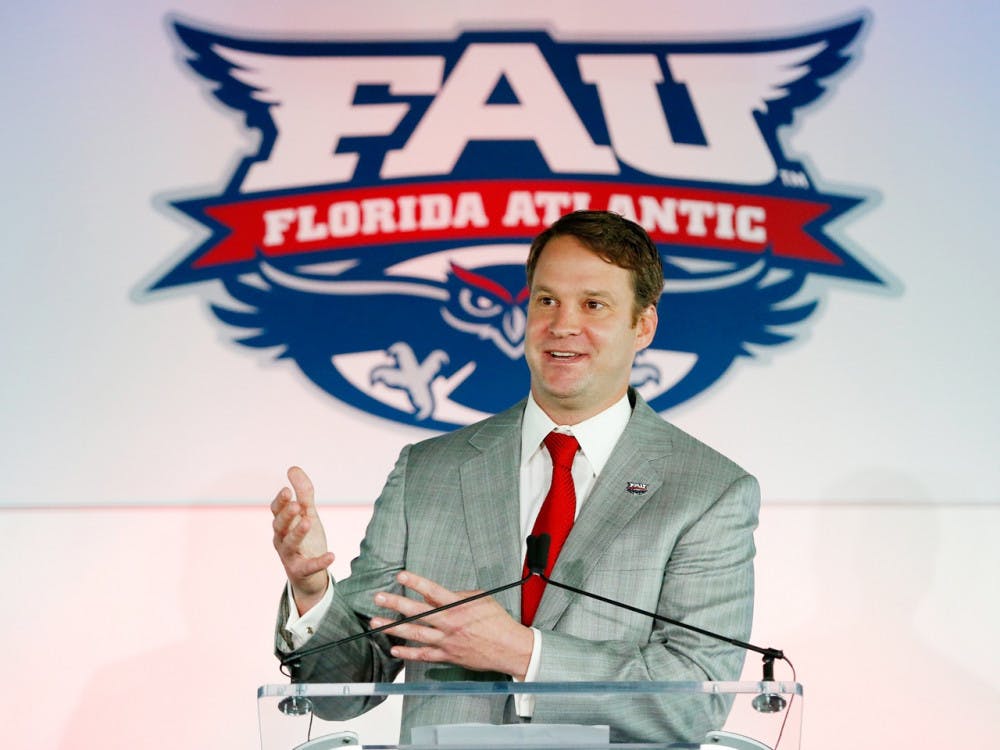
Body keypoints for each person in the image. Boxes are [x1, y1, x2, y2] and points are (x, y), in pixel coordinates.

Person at [270, 210, 760, 743]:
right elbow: (343, 689)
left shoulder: (709, 492)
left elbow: (695, 700)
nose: (562, 324)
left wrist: (524, 654)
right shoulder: (427, 472)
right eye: (546, 300)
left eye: (593, 304)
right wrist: (313, 593)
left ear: (643, 325)